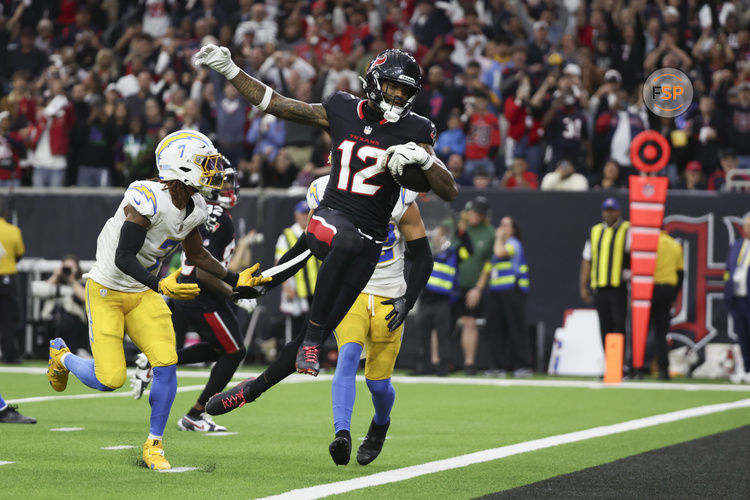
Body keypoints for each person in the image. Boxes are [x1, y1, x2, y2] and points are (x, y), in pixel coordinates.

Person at [195, 44, 456, 377]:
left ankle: (268, 363)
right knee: (344, 241)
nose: (397, 95)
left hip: (371, 239)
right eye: (392, 86)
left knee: (350, 257)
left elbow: (448, 190)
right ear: (375, 81)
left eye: (405, 90)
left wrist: (425, 159)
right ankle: (312, 341)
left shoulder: (416, 129)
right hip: (330, 216)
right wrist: (230, 70)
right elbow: (276, 103)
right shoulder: (341, 107)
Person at [45, 130, 269, 470]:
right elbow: (123, 256)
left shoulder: (195, 206)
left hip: (142, 292)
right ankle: (62, 357)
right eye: (204, 164)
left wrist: (236, 280)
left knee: (166, 362)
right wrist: (161, 285)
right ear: (181, 167)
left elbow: (197, 254)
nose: (213, 171)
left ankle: (154, 444)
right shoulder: (146, 195)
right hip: (108, 289)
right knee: (110, 380)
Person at [205, 174, 434, 468]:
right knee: (345, 355)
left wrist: (409, 299)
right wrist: (266, 282)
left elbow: (423, 257)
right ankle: (342, 434)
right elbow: (306, 247)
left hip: (389, 293)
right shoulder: (326, 191)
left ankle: (380, 424)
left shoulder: (400, 199)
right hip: (350, 290)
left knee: (378, 385)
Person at [131, 168, 249, 433]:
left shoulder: (203, 210)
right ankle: (196, 414)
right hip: (202, 295)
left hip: (191, 292)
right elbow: (201, 269)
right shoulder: (216, 215)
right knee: (234, 352)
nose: (229, 186)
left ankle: (158, 362)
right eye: (224, 180)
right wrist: (235, 292)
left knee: (218, 348)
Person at [470, 216, 531, 377]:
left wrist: (498, 237)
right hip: (496, 292)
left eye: (506, 225)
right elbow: (487, 269)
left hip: (512, 291)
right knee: (495, 329)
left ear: (513, 230)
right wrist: (478, 288)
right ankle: (497, 366)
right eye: (501, 224)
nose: (502, 228)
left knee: (516, 328)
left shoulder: (513, 244)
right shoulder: (497, 247)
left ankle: (523, 366)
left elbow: (500, 252)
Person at [413, 222, 472, 376]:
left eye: (439, 234)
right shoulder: (427, 251)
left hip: (442, 301)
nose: (436, 237)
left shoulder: (454, 253)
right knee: (422, 335)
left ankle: (443, 368)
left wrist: (462, 232)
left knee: (443, 336)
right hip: (425, 299)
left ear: (446, 237)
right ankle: (422, 367)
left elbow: (469, 252)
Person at [579, 197, 630, 373]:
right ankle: (610, 364)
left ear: (618, 212)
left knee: (619, 325)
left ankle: (620, 364)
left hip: (618, 287)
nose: (608, 213)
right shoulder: (595, 231)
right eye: (606, 210)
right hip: (600, 287)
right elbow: (587, 259)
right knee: (604, 327)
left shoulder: (626, 229)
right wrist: (583, 286)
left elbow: (634, 256)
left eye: (612, 210)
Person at [455, 196, 494, 375]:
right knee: (440, 323)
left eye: (479, 213)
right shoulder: (456, 227)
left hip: (471, 285)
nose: (475, 216)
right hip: (450, 284)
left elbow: (488, 263)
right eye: (473, 212)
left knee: (469, 322)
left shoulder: (489, 233)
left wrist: (478, 288)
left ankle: (469, 363)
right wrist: (459, 229)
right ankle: (436, 362)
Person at [275, 200, 319, 348]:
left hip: (316, 287)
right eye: (303, 213)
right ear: (296, 215)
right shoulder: (288, 235)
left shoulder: (318, 231)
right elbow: (279, 262)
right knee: (297, 325)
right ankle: (292, 357)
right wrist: (285, 285)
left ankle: (315, 355)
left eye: (308, 213)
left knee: (317, 323)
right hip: (298, 287)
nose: (306, 217)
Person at [650, 229, 684, 380]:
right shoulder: (674, 244)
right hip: (666, 291)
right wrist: (673, 294)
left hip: (647, 290)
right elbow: (681, 273)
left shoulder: (647, 243)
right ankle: (663, 369)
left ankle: (636, 366)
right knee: (661, 333)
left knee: (638, 331)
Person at [43, 255, 89, 357]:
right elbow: (43, 291)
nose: (67, 270)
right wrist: (55, 276)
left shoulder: (81, 282)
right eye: (65, 267)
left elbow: (85, 298)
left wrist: (72, 281)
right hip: (53, 318)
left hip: (74, 320)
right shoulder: (56, 282)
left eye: (71, 267)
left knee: (69, 323)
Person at [725, 214, 750, 384]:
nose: (746, 228)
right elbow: (729, 268)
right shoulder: (737, 245)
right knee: (742, 335)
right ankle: (746, 369)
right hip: (737, 297)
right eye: (746, 225)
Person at [0, 197, 24, 364]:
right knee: (8, 319)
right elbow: (19, 253)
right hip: (6, 280)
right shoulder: (12, 230)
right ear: (6, 213)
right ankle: (9, 353)